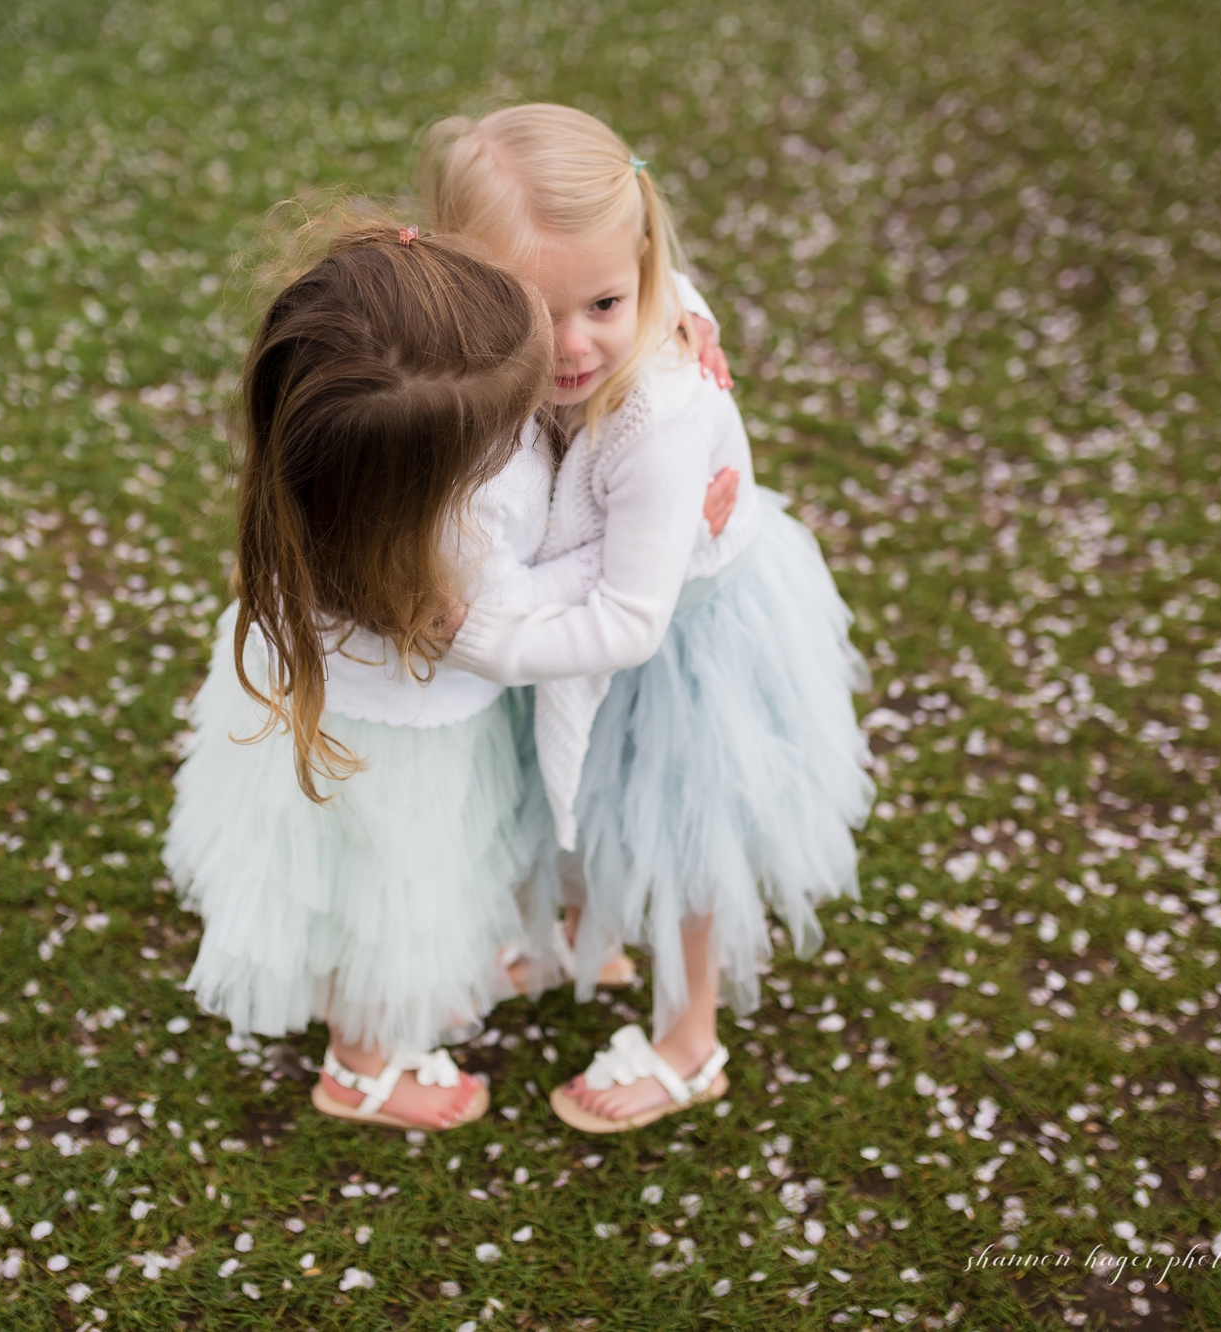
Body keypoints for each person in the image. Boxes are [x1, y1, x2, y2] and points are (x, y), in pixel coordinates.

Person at [424, 104, 875, 1133]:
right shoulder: (575, 321)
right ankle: (584, 936)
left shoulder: (655, 414)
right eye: (538, 316)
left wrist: (479, 638)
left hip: (686, 644)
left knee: (676, 831)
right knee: (568, 796)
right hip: (587, 620)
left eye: (604, 304)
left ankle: (690, 1037)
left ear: (646, 273)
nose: (575, 344)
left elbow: (628, 622)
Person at [161, 222, 555, 1131]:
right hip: (395, 748)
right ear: (444, 476)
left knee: (352, 875)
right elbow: (538, 605)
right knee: (388, 887)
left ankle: (395, 1007)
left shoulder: (329, 464)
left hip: (330, 708)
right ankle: (362, 1062)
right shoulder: (457, 547)